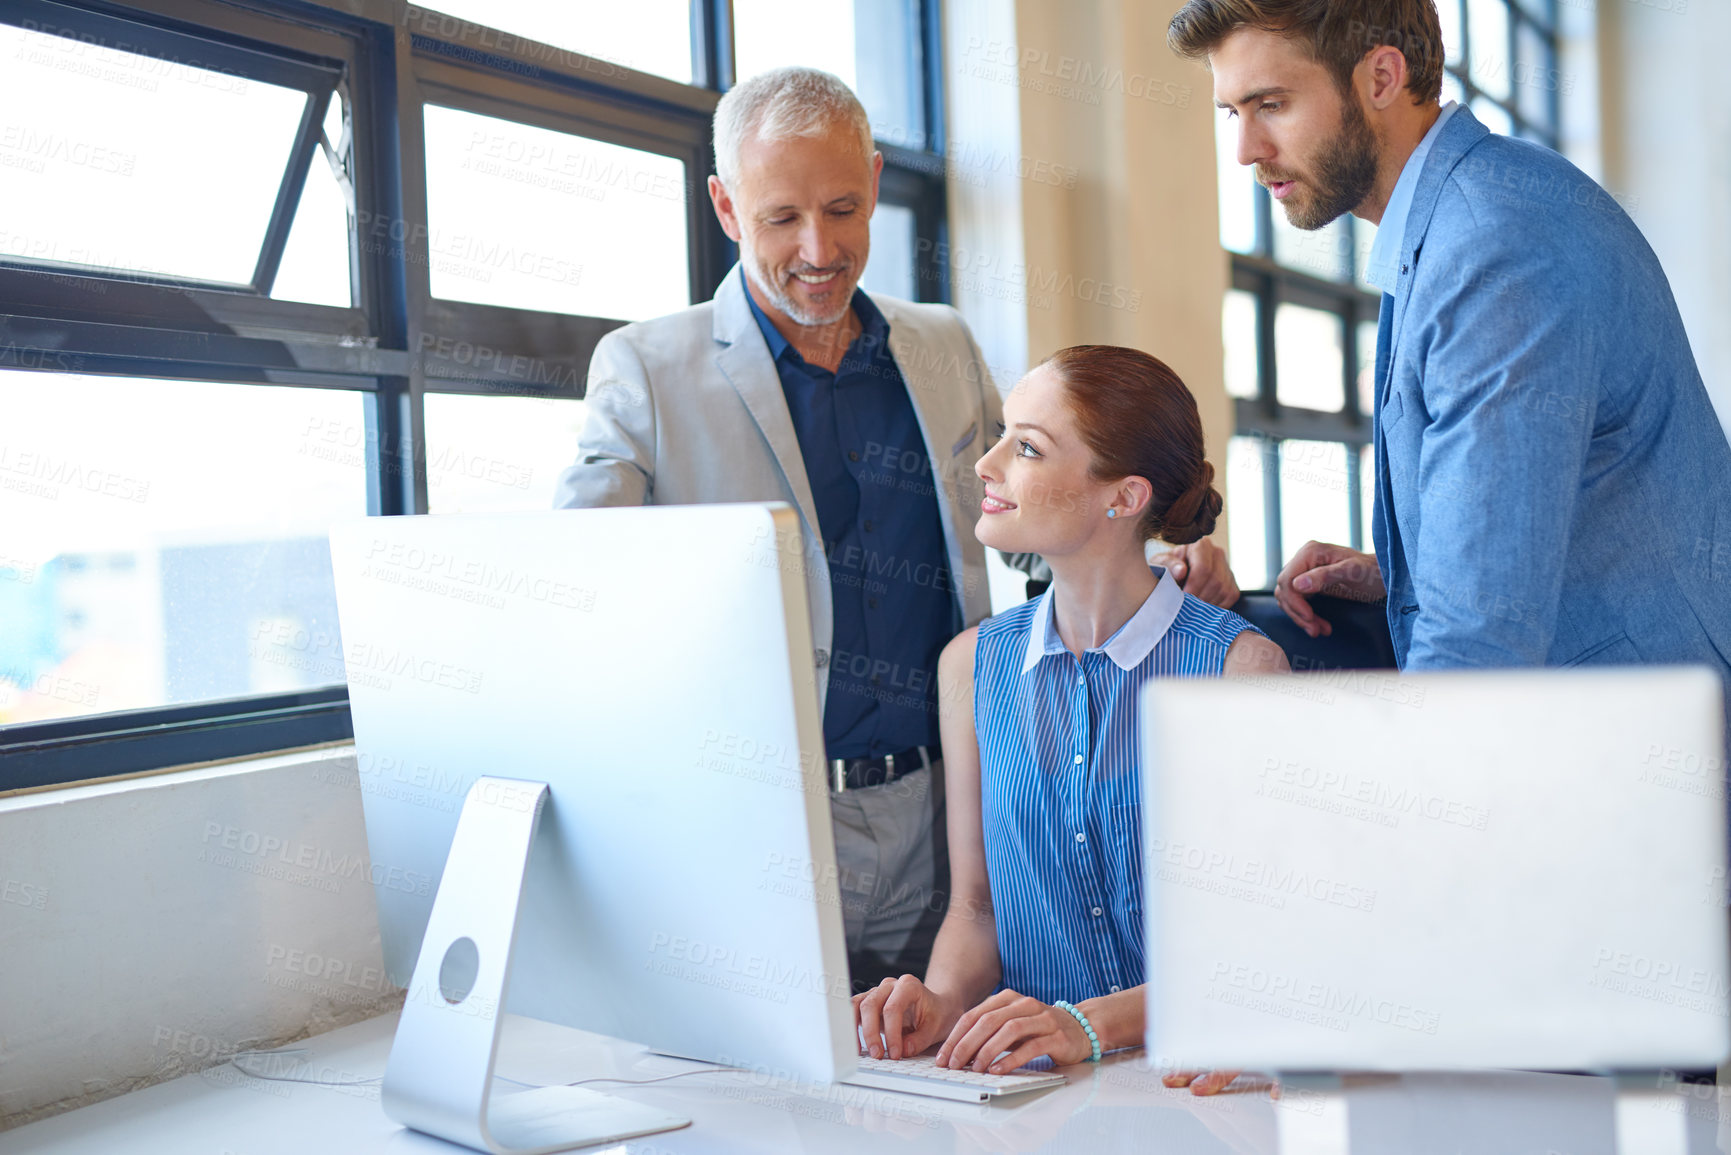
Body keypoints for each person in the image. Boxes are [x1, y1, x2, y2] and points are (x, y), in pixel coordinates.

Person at [553, 67, 1018, 992]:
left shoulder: (943, 346)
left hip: (946, 820)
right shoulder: (645, 369)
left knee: (934, 1106)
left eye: (844, 209)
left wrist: (1159, 556)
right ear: (725, 207)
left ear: (878, 183)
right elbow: (580, 591)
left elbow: (1032, 522)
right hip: (766, 826)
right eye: (781, 219)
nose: (820, 248)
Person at [1162, 0, 1731, 729]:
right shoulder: (1474, 208)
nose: (1244, 148)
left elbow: (1476, 646)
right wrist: (1405, 574)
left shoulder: (1493, 248)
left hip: (1645, 756)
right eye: (1230, 112)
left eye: (1269, 104)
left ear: (1380, 77)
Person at [852, 345, 1288, 1076]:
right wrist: (938, 1000)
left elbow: (1267, 943)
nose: (986, 465)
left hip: (1197, 1085)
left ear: (1121, 497)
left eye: (1024, 447)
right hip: (1039, 1091)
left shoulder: (1239, 671)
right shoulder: (969, 665)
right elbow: (977, 910)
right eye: (1000, 436)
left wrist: (1085, 1025)